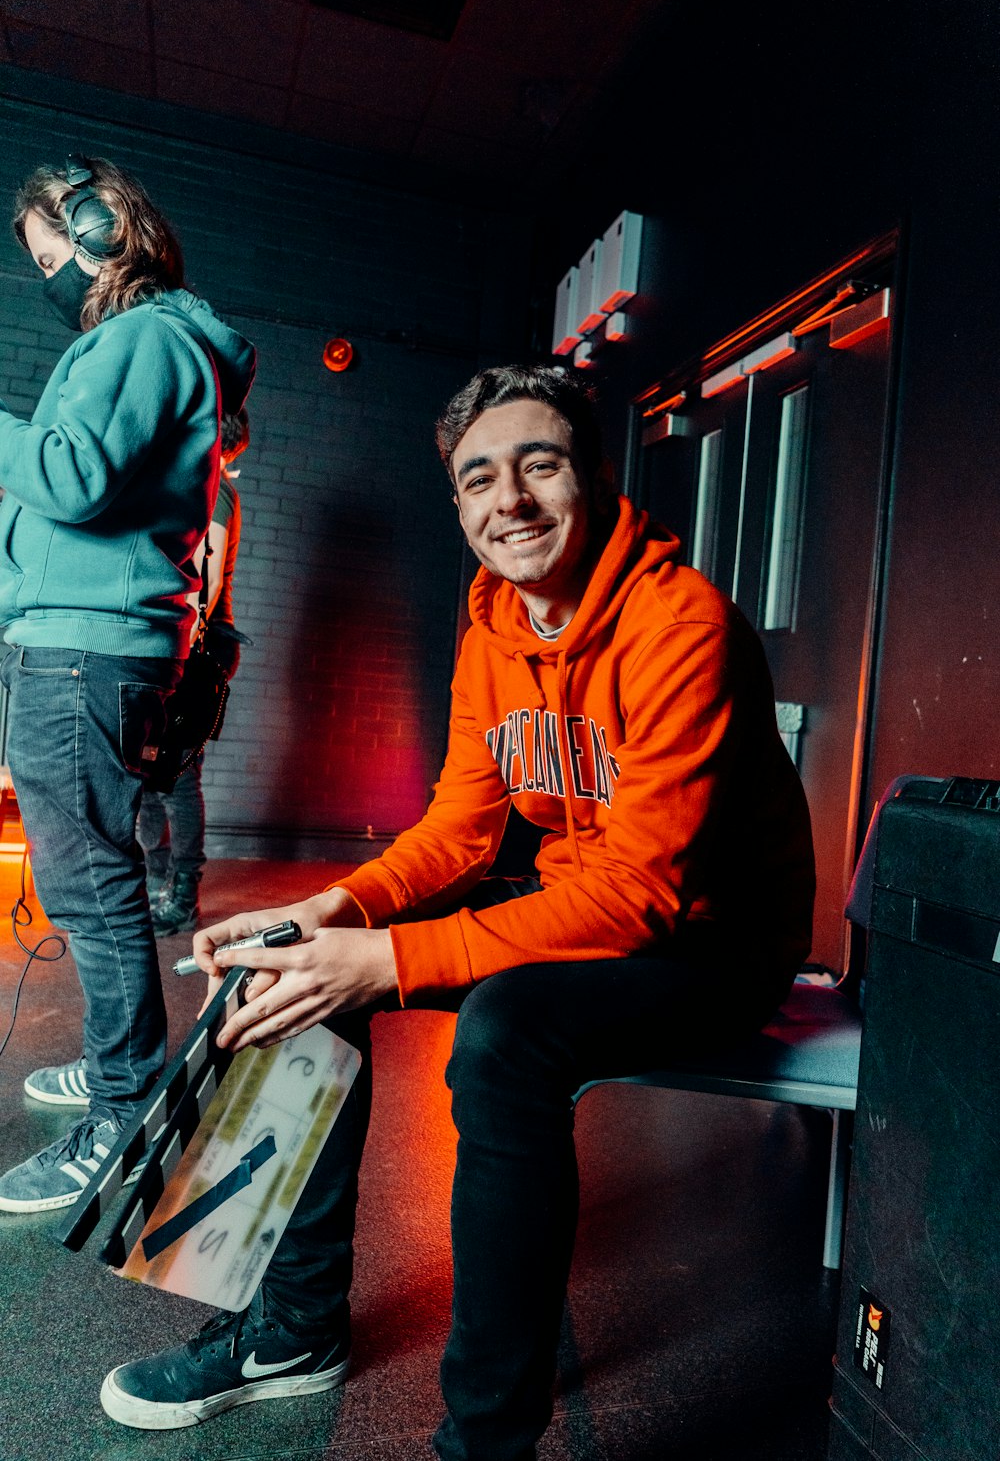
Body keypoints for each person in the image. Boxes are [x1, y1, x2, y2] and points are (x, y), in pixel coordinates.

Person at [100, 365, 814, 1459]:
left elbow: (645, 892)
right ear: (460, 503)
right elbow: (460, 831)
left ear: (593, 478)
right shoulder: (493, 626)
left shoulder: (683, 626)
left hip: (713, 939)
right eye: (480, 477)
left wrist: (385, 959)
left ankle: (486, 1439)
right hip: (591, 894)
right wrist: (330, 908)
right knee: (294, 966)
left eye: (540, 464)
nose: (509, 499)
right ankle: (290, 1331)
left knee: (506, 1035)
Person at [0, 153, 255, 1213]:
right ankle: (123, 1069)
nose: (47, 272)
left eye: (50, 249)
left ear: (105, 229)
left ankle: (123, 1106)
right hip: (73, 641)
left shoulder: (145, 337)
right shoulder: (142, 344)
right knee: (89, 879)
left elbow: (70, 477)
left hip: (82, 651)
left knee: (92, 886)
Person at [138, 407, 249, 936]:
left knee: (178, 777)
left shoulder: (218, 492)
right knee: (147, 774)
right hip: (175, 644)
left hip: (197, 650)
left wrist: (180, 652)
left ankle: (182, 896)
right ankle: (156, 883)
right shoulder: (198, 486)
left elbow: (203, 583)